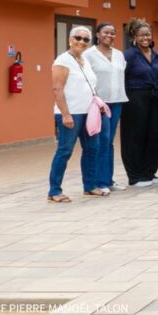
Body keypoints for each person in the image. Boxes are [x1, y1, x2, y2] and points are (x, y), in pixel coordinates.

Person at [48, 26, 104, 202]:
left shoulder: (84, 60)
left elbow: (90, 85)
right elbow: (57, 89)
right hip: (71, 114)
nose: (81, 42)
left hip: (88, 113)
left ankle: (90, 186)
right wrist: (65, 115)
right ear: (70, 40)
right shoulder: (63, 60)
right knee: (64, 151)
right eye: (78, 38)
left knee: (92, 149)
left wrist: (98, 101)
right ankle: (54, 191)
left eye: (86, 39)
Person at [121, 20, 158, 188]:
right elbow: (121, 77)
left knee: (153, 135)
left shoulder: (156, 54)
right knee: (134, 135)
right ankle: (135, 175)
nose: (145, 38)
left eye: (148, 34)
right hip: (134, 98)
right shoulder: (129, 55)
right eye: (142, 35)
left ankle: (149, 172)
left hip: (153, 97)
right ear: (134, 36)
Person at [87, 23, 128, 193]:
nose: (110, 35)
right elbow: (87, 79)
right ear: (97, 34)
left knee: (109, 142)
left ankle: (108, 179)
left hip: (117, 101)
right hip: (99, 104)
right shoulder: (89, 54)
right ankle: (99, 182)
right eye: (106, 32)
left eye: (113, 33)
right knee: (101, 141)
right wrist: (96, 99)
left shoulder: (119, 54)